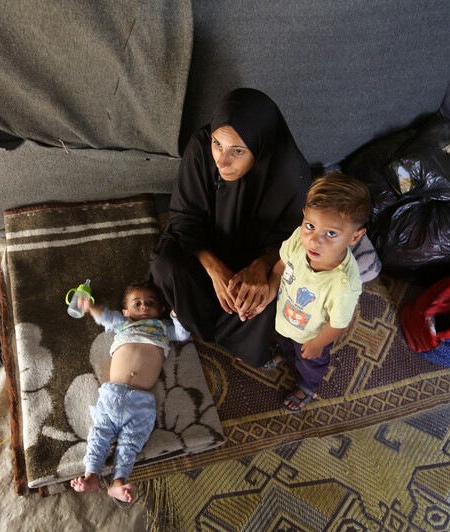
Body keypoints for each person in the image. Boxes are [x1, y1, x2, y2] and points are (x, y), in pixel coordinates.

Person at [150, 88, 310, 367]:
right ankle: (215, 327)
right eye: (217, 144)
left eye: (238, 150)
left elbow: (295, 239)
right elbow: (185, 215)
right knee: (167, 266)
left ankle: (233, 336)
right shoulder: (201, 146)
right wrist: (214, 268)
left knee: (268, 295)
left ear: (260, 147)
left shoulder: (291, 174)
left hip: (259, 254)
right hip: (203, 243)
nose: (222, 162)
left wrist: (261, 266)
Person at [70, 280, 190, 503]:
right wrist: (89, 306)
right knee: (100, 434)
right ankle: (92, 474)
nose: (144, 307)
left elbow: (183, 334)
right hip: (113, 394)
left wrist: (176, 316)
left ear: (161, 310)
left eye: (150, 303)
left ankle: (118, 481)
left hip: (142, 401)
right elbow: (104, 316)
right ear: (126, 311)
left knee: (130, 443)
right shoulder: (123, 323)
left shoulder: (163, 328)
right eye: (137, 303)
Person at [264, 171, 371, 412]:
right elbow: (281, 266)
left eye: (331, 233)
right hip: (286, 318)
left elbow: (338, 323)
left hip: (313, 335)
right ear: (304, 216)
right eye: (310, 226)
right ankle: (286, 353)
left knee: (311, 363)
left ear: (355, 236)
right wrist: (268, 294)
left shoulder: (344, 285)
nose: (314, 240)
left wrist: (318, 343)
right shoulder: (298, 239)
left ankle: (308, 386)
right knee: (285, 340)